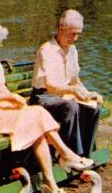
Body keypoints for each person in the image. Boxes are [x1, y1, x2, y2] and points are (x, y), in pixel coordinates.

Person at [0, 21, 93, 193]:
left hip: (3, 111)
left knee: (36, 119)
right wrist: (6, 98)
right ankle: (65, 155)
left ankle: (50, 181)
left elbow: (1, 89)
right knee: (37, 115)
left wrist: (13, 98)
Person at [31, 9, 103, 158]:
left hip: (63, 96)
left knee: (94, 107)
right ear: (61, 28)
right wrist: (73, 91)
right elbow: (50, 86)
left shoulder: (72, 50)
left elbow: (75, 80)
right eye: (72, 33)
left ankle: (86, 154)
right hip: (44, 98)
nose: (75, 38)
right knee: (70, 106)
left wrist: (89, 93)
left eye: (78, 34)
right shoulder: (47, 50)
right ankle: (71, 156)